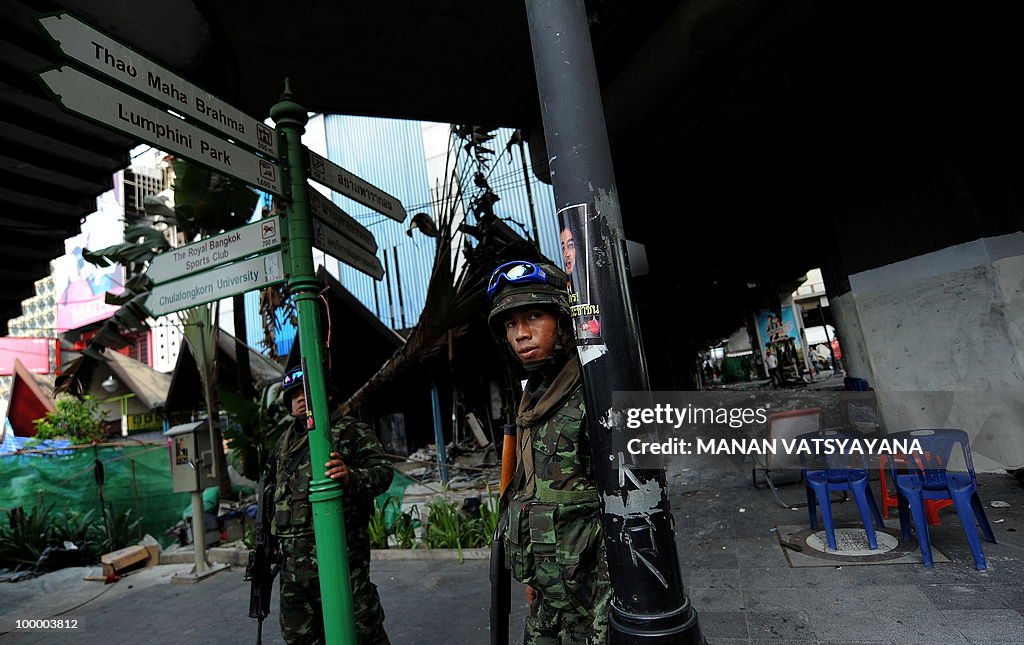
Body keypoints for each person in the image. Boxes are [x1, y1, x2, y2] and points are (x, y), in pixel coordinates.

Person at [487, 259, 610, 644]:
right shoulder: (534, 398)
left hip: (594, 612)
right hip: (549, 602)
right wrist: (536, 576)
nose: (520, 334)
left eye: (534, 316)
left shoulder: (601, 391)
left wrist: (609, 621)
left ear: (563, 321)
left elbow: (633, 514)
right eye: (510, 324)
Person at [264, 366, 393, 644]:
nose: (300, 399)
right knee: (300, 637)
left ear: (328, 396)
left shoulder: (349, 432)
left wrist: (351, 476)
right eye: (293, 395)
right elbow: (270, 492)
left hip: (341, 561)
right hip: (293, 571)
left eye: (305, 393)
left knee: (361, 633)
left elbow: (383, 472)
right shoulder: (283, 444)